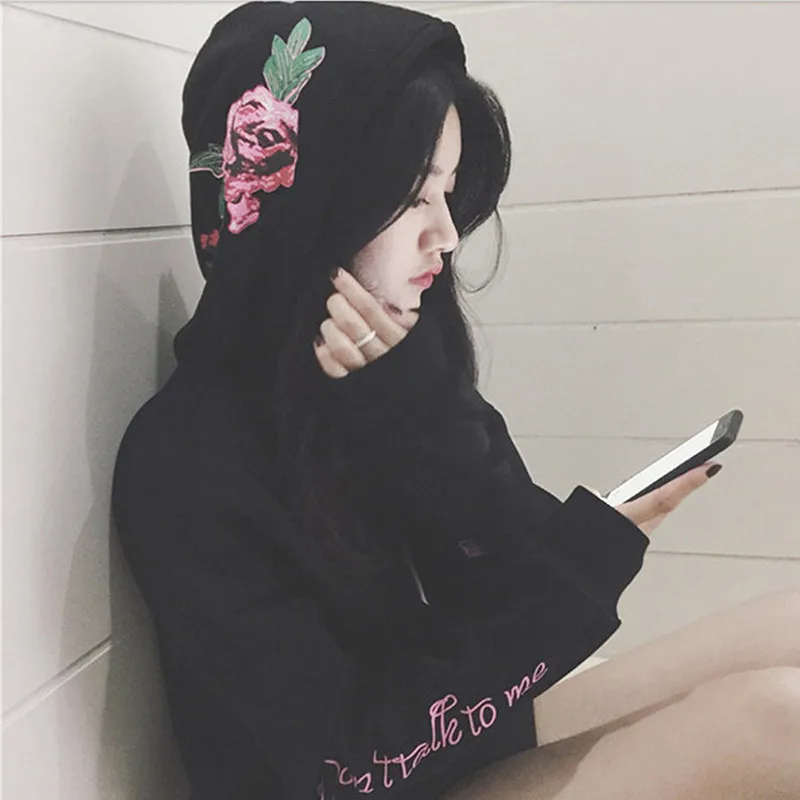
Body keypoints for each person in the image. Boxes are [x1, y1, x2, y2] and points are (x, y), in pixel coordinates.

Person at [111, 2, 800, 799]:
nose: (444, 233)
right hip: (373, 779)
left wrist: (421, 420)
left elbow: (506, 574)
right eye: (412, 196)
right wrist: (583, 561)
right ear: (304, 208)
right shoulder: (184, 465)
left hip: (455, 744)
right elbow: (348, 766)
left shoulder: (384, 380)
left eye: (446, 191)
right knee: (774, 718)